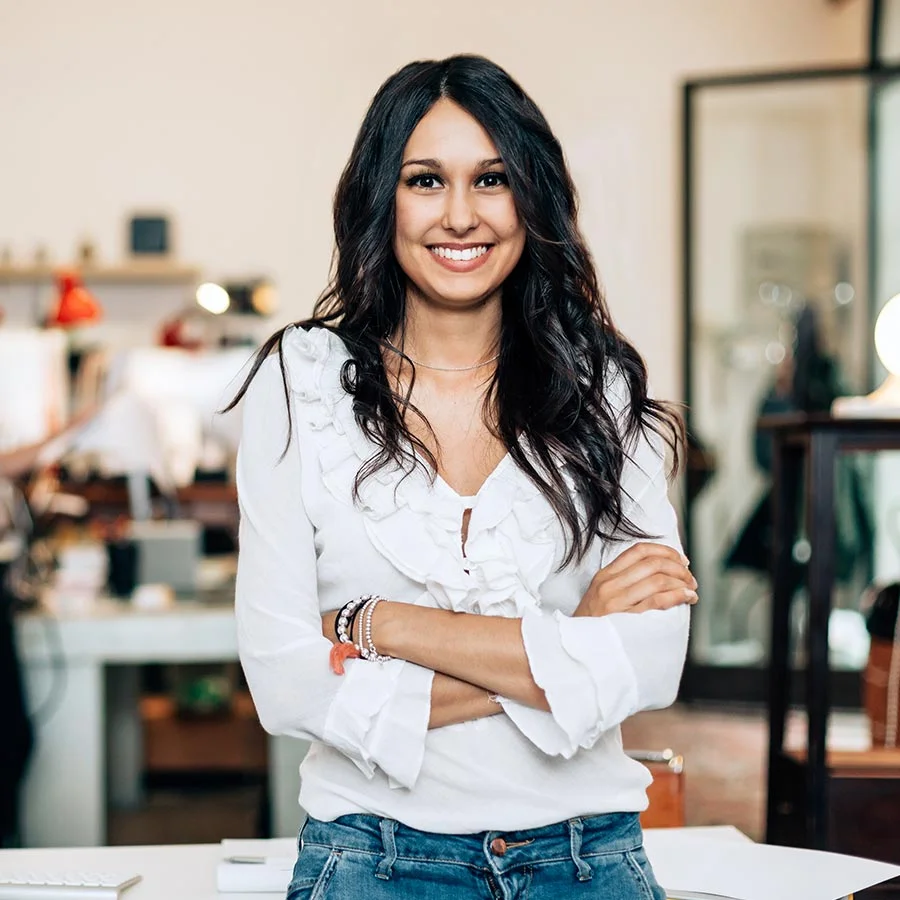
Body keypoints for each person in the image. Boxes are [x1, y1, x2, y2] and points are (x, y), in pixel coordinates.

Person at [230, 54, 697, 900]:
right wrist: (568, 642)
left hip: (587, 859)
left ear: (531, 197)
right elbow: (285, 682)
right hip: (373, 859)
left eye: (490, 178)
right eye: (424, 180)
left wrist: (387, 624)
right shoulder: (300, 383)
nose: (459, 215)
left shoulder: (600, 386)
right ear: (383, 197)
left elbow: (654, 659)